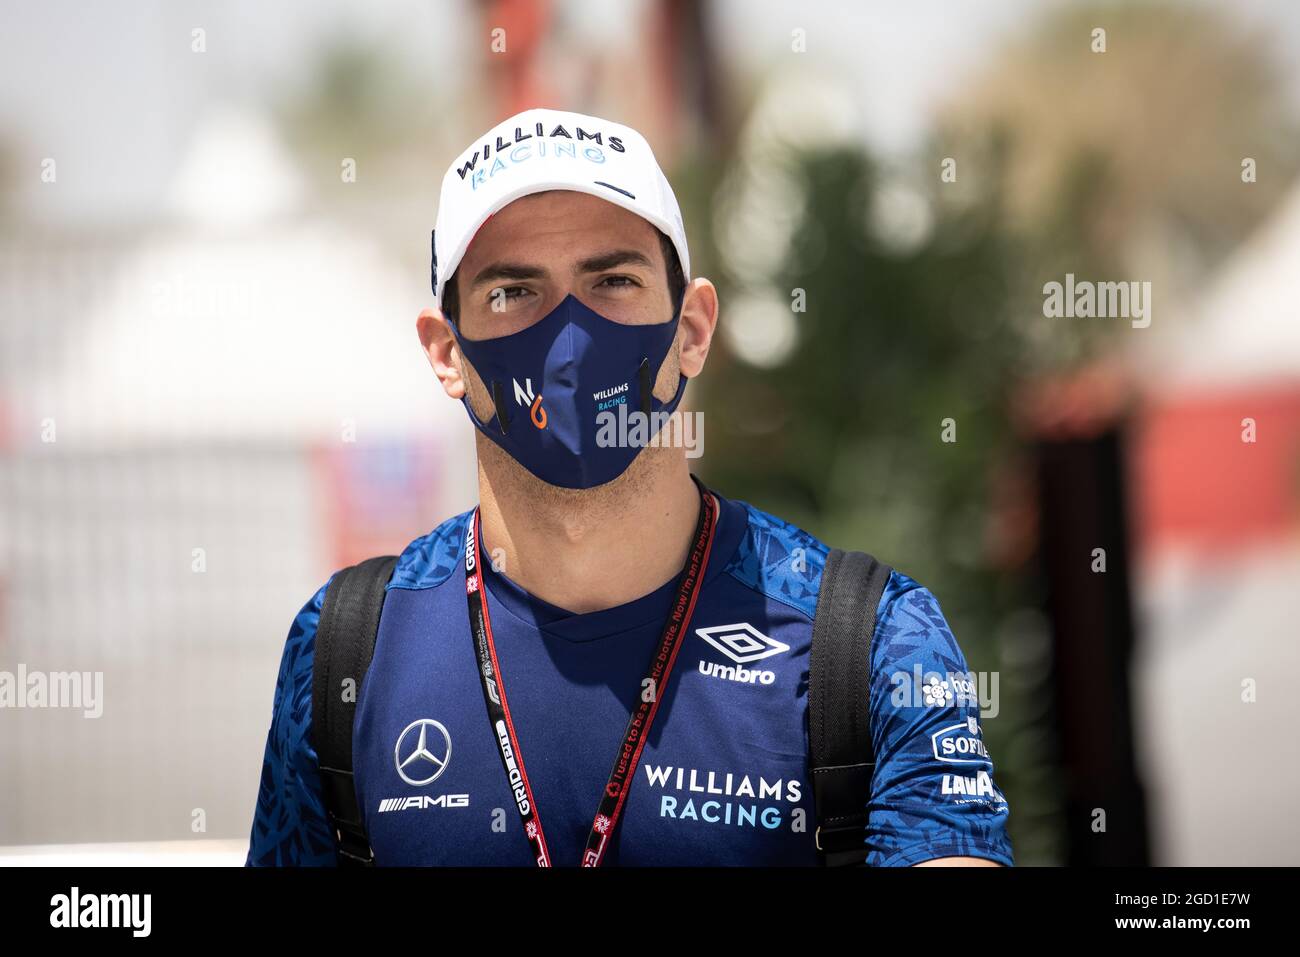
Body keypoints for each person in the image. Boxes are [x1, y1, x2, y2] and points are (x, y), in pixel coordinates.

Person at [246, 108, 1013, 867]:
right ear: (446, 351)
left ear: (692, 330)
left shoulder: (871, 639)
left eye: (612, 280)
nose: (570, 340)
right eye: (514, 293)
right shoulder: (348, 649)